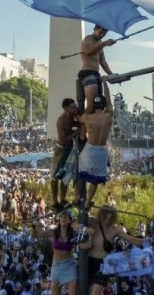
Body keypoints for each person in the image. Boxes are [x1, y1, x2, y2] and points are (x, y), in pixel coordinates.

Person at [79, 205, 146, 295]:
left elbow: (132, 240)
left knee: (95, 293)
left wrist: (146, 242)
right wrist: (85, 208)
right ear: (101, 215)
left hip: (103, 264)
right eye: (105, 218)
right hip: (88, 261)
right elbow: (78, 219)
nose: (107, 221)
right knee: (83, 291)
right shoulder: (93, 222)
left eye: (110, 219)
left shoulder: (116, 229)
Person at [78, 79, 114, 209]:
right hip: (102, 150)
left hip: (89, 148)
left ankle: (77, 196)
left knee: (79, 170)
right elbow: (109, 101)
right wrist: (105, 83)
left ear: (94, 106)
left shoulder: (87, 118)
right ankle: (88, 202)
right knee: (95, 180)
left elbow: (80, 118)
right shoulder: (109, 116)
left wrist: (88, 104)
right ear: (104, 106)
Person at [30, 210, 78, 295]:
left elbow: (76, 250)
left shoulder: (74, 234)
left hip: (69, 264)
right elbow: (35, 235)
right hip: (56, 265)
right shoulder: (52, 232)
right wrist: (34, 226)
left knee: (73, 286)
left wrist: (76, 258)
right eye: (61, 216)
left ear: (70, 220)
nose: (63, 219)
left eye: (66, 217)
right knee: (54, 288)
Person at [79, 25, 115, 115]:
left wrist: (112, 74)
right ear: (95, 29)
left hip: (96, 74)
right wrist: (104, 44)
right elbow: (88, 51)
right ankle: (82, 128)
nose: (102, 35)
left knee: (98, 106)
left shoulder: (100, 43)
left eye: (105, 33)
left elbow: (102, 61)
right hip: (87, 73)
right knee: (91, 106)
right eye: (101, 32)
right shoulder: (88, 39)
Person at [51, 98, 79, 212]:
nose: (75, 108)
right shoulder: (62, 120)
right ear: (66, 108)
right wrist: (76, 132)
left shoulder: (72, 116)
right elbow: (62, 139)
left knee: (65, 176)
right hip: (61, 150)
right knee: (55, 177)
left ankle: (62, 200)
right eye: (72, 107)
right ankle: (55, 202)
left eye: (75, 106)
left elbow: (76, 124)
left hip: (69, 149)